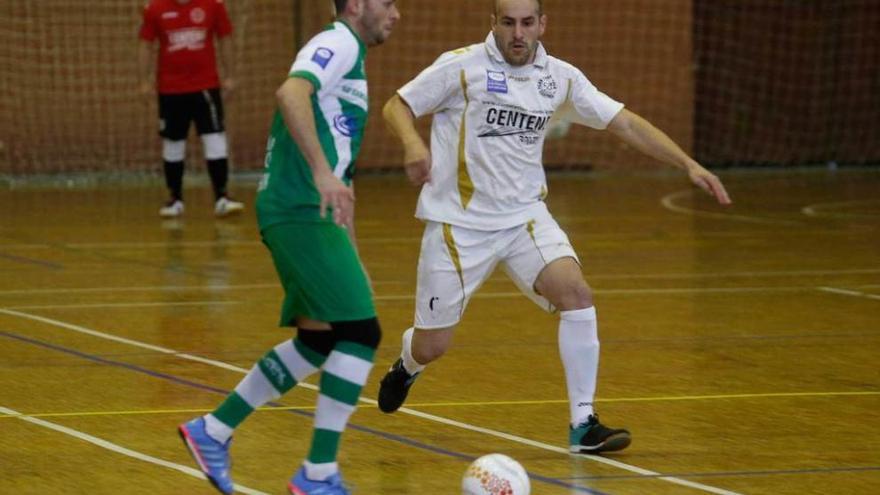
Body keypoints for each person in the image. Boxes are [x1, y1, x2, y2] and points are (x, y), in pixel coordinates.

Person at [377, 0, 732, 455]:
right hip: (459, 226)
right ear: (495, 24)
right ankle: (408, 364)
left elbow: (622, 123)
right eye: (508, 23)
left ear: (543, 24)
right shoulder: (461, 67)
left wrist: (687, 163)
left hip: (525, 217)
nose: (518, 33)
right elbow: (396, 105)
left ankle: (583, 424)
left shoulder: (559, 76)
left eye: (527, 23)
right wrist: (411, 145)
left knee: (576, 294)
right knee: (433, 345)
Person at [176, 0, 400, 494]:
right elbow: (291, 92)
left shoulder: (352, 58)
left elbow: (342, 176)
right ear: (357, 4)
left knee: (319, 342)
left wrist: (354, 253)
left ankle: (212, 431)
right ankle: (317, 475)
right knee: (361, 333)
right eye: (387, 2)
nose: (396, 12)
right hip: (300, 208)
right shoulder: (338, 41)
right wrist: (320, 173)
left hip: (306, 211)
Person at [138, 0, 244, 218]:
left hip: (206, 87)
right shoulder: (155, 8)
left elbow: (225, 38)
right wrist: (144, 81)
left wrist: (231, 75)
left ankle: (222, 197)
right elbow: (145, 44)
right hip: (170, 90)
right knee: (173, 143)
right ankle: (174, 199)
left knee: (215, 138)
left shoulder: (213, 5)